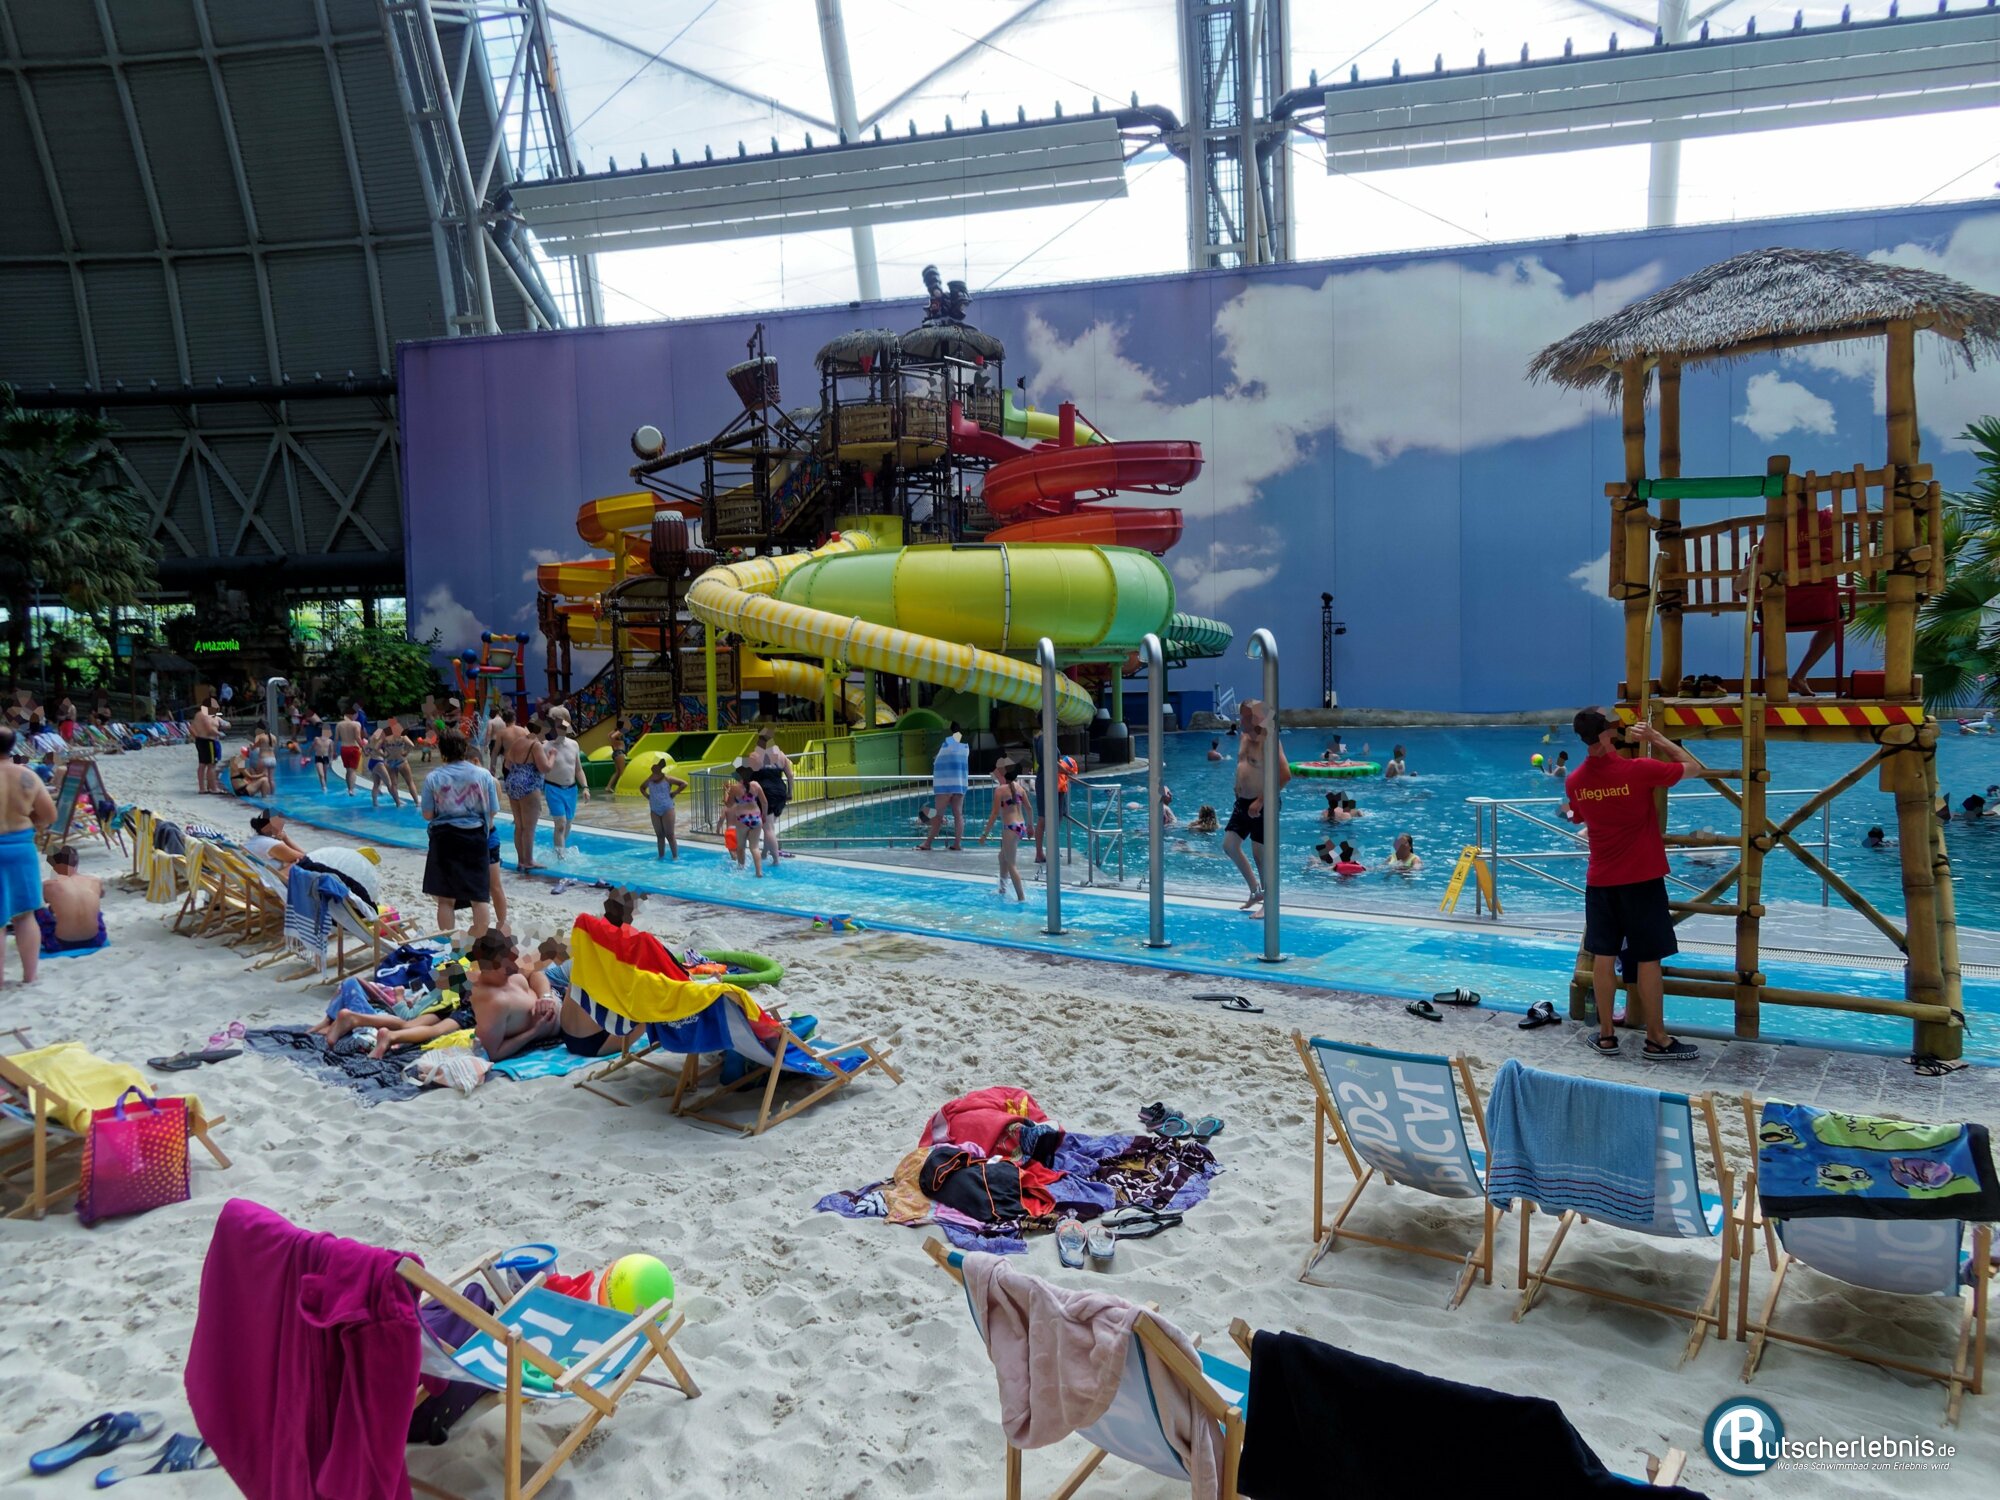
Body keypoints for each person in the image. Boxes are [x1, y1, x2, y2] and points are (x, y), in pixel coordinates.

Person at [1565, 707, 1705, 1063]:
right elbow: (1694, 767)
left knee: (1603, 956)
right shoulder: (1639, 770)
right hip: (1642, 878)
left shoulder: (1575, 781)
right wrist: (1656, 738)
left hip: (1601, 881)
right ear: (1609, 734)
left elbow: (1576, 816)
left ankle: (1606, 1036)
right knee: (1647, 958)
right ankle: (1656, 1038)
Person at [421, 730, 498, 940]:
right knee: (479, 895)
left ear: (442, 751)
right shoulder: (483, 775)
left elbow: (427, 814)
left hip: (444, 838)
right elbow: (493, 810)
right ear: (465, 748)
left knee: (445, 898)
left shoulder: (433, 778)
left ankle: (447, 942)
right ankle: (480, 940)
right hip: (475, 838)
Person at [1222, 699, 1290, 910]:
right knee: (1230, 846)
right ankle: (1256, 891)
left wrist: (1261, 800)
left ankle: (1269, 903)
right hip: (1242, 802)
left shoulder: (1269, 741)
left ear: (1257, 718)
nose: (1240, 720)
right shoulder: (1243, 737)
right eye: (1241, 715)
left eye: (1245, 716)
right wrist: (1237, 785)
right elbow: (1243, 764)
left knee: (1260, 855)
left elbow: (1285, 775)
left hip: (1263, 804)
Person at [0, 730, 56, 985]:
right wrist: (30, 821)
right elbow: (49, 815)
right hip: (21, 847)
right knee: (25, 914)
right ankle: (30, 976)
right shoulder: (27, 776)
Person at [467, 930, 560, 1061]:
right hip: (567, 1024)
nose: (514, 965)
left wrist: (545, 996)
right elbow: (492, 1053)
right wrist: (534, 1032)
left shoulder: (509, 970)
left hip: (554, 991)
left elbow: (535, 973)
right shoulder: (493, 1003)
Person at [499, 713, 554, 872]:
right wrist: (552, 756)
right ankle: (529, 861)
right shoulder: (535, 745)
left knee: (519, 826)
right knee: (529, 827)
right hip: (529, 785)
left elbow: (507, 764)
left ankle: (521, 860)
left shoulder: (518, 741)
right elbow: (545, 768)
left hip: (512, 783)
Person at [36, 843, 104, 954]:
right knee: (93, 908)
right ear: (76, 862)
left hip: (61, 943)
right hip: (95, 939)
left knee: (38, 911)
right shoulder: (95, 881)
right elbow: (101, 895)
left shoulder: (49, 885)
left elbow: (38, 903)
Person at [980, 761, 1030, 902]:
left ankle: (1021, 898)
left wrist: (985, 834)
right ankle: (1002, 889)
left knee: (1011, 864)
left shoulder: (1000, 790)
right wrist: (1031, 827)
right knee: (1002, 857)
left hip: (1010, 828)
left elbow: (994, 814)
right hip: (1021, 827)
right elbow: (1029, 808)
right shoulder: (1020, 788)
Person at [542, 719, 590, 860]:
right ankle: (561, 857)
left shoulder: (574, 745)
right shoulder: (546, 747)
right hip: (553, 789)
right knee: (561, 824)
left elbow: (578, 769)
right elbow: (541, 771)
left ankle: (559, 849)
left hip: (571, 790)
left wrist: (585, 787)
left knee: (568, 824)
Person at [919, 724, 970, 852]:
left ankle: (928, 843)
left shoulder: (947, 745)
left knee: (938, 816)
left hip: (944, 785)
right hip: (960, 784)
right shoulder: (965, 748)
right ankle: (957, 844)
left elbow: (938, 758)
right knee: (958, 815)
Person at [747, 727, 794, 863]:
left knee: (768, 828)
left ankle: (776, 860)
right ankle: (764, 853)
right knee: (770, 827)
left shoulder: (754, 756)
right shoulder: (781, 755)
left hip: (765, 793)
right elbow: (790, 775)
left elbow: (747, 776)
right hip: (780, 792)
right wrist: (790, 792)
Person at [723, 766, 768, 878]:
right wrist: (764, 816)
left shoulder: (735, 788)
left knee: (741, 846)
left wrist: (727, 792)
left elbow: (729, 805)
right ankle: (759, 872)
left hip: (742, 819)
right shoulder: (756, 785)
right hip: (756, 818)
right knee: (754, 847)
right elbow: (764, 802)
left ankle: (741, 868)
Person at [645, 758, 689, 860]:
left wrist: (675, 793)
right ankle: (661, 856)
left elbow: (684, 783)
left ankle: (675, 857)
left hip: (667, 808)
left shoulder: (667, 779)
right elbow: (641, 787)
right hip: (654, 810)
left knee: (670, 834)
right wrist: (648, 796)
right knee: (659, 835)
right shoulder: (649, 779)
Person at [191, 698, 223, 794]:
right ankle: (213, 788)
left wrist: (197, 737)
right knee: (211, 765)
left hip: (200, 740)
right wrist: (219, 733)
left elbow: (191, 728)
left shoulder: (198, 714)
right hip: (209, 741)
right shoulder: (206, 715)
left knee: (202, 764)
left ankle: (202, 788)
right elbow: (209, 729)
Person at [331, 707, 364, 794]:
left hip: (344, 748)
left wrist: (334, 751)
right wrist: (364, 748)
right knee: (352, 770)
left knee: (348, 770)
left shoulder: (339, 725)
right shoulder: (356, 724)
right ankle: (352, 790)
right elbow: (357, 738)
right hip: (354, 748)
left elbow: (336, 739)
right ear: (353, 715)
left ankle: (349, 788)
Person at [309, 717, 333, 792]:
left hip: (325, 758)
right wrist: (308, 756)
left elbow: (331, 751)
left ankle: (324, 786)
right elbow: (311, 748)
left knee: (325, 774)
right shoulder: (316, 739)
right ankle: (324, 787)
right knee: (321, 774)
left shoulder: (330, 741)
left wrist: (331, 760)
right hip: (318, 757)